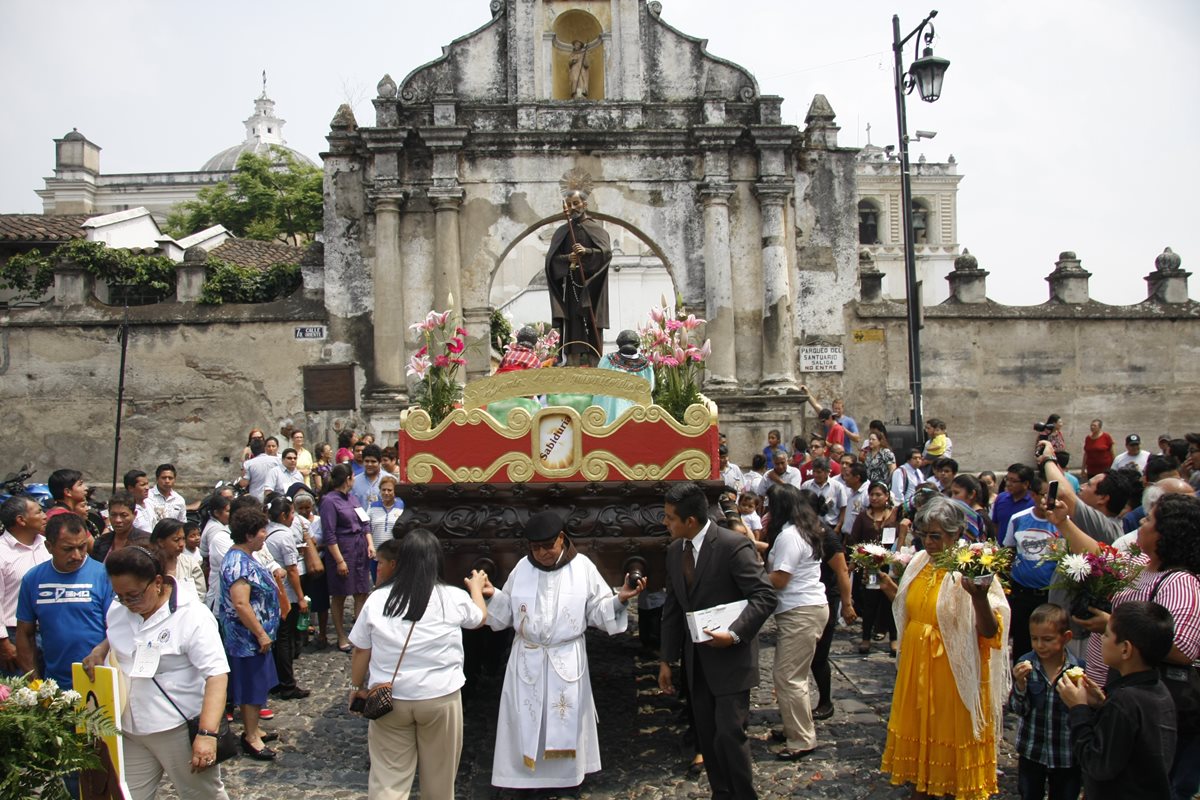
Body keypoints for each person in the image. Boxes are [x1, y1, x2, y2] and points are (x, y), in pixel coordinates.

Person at [1048, 493, 1200, 799]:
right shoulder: (1142, 564)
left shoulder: (1179, 583)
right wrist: (1062, 521)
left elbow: (1183, 646)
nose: (1141, 522)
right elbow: (1101, 558)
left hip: (1143, 708)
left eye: (1149, 519)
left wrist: (1113, 626)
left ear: (1165, 535)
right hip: (1114, 696)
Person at [483, 511, 645, 792]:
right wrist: (491, 593)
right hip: (528, 658)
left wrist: (620, 599)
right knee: (526, 717)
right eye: (536, 548)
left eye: (548, 546)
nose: (543, 553)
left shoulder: (582, 568)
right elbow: (507, 610)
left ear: (561, 538)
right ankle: (523, 778)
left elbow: (597, 609)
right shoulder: (523, 567)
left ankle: (565, 778)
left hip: (565, 655)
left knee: (564, 716)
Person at [878, 496, 1010, 800]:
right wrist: (889, 588)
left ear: (956, 534)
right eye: (923, 534)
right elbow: (914, 611)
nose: (928, 542)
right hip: (917, 667)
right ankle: (923, 786)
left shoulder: (972, 567)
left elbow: (991, 631)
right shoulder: (919, 563)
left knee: (948, 736)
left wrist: (977, 597)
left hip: (951, 673)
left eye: (936, 535)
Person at [348, 531, 489, 800]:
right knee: (439, 777)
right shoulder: (452, 598)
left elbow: (361, 649)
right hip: (439, 697)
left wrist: (357, 686)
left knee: (388, 778)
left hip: (390, 697)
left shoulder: (378, 600)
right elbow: (480, 618)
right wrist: (475, 589)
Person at [82, 546, 231, 800]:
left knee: (201, 795)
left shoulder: (192, 616)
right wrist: (99, 651)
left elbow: (216, 675)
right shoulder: (120, 610)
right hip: (130, 727)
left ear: (157, 583)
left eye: (134, 596)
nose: (128, 603)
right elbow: (116, 636)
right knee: (128, 794)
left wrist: (207, 734)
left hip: (176, 728)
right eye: (120, 596)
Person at [658, 482, 776, 800]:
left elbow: (764, 597)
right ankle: (721, 792)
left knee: (729, 735)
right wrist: (666, 660)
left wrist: (735, 633)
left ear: (690, 521)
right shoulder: (673, 552)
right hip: (696, 663)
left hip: (732, 660)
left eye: (670, 518)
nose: (665, 523)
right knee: (708, 735)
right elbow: (672, 609)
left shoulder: (732, 546)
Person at [1056, 601, 1177, 800]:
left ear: (1125, 649)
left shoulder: (1125, 701)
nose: (1101, 639)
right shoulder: (1160, 691)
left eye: (1106, 635)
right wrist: (1101, 705)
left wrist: (1078, 709)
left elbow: (1096, 763)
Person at [762, 484, 830, 760]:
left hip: (800, 611)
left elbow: (780, 578)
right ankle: (795, 726)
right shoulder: (800, 531)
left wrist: (750, 584)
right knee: (791, 674)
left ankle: (802, 739)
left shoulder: (789, 536)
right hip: (806, 608)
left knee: (788, 677)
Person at [15, 513, 114, 688]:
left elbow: (118, 628)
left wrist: (101, 651)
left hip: (99, 681)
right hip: (54, 685)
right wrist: (35, 684)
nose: (77, 555)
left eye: (82, 547)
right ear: (49, 546)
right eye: (68, 549)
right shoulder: (33, 579)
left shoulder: (104, 576)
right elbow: (24, 633)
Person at [218, 507, 281, 761]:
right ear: (248, 534)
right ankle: (251, 736)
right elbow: (241, 604)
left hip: (255, 637)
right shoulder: (237, 563)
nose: (265, 535)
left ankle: (254, 728)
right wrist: (260, 634)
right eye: (261, 531)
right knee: (251, 686)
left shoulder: (247, 556)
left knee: (259, 684)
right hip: (247, 639)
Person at [1008, 603, 1082, 800]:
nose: (1039, 645)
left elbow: (1082, 714)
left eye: (1047, 639)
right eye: (1034, 639)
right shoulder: (1026, 664)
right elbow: (1017, 708)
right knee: (1029, 793)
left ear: (1066, 637)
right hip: (1033, 751)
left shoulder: (1078, 670)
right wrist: (1020, 686)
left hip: (1066, 754)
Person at [544, 190, 611, 366]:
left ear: (584, 204)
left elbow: (606, 255)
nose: (572, 208)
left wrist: (587, 252)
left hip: (593, 291)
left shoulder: (597, 230)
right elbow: (551, 261)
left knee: (593, 333)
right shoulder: (563, 231)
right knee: (573, 332)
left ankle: (595, 371)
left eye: (575, 203)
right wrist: (568, 258)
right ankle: (571, 371)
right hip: (573, 291)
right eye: (568, 204)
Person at [1002, 476, 1060, 661]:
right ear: (1033, 495)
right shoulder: (1018, 519)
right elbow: (1008, 550)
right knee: (1023, 643)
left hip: (1050, 596)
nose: (1050, 500)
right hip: (1022, 595)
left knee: (1050, 645)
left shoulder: (1063, 521)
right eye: (1045, 495)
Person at [320, 464, 374, 652]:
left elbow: (364, 522)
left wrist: (370, 544)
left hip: (359, 549)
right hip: (343, 549)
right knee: (340, 594)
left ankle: (359, 635)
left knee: (361, 591)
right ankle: (341, 635)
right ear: (348, 479)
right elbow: (329, 533)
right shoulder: (329, 501)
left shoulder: (352, 499)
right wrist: (339, 560)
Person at [264, 496, 309, 700]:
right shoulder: (284, 535)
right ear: (283, 515)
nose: (293, 517)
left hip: (271, 592)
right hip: (285, 594)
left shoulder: (268, 533)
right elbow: (292, 570)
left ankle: (274, 680)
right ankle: (287, 683)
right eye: (291, 513)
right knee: (284, 639)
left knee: (277, 638)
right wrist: (300, 597)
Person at [846, 481, 899, 656]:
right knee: (870, 602)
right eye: (872, 494)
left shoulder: (894, 516)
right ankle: (866, 637)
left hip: (889, 566)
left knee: (890, 601)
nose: (875, 498)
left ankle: (893, 638)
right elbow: (855, 540)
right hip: (870, 568)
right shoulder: (863, 516)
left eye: (878, 494)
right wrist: (856, 560)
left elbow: (901, 537)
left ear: (887, 496)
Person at [0, 495, 49, 674]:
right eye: (38, 512)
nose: (45, 515)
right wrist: (4, 642)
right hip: (14, 635)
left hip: (48, 630)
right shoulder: (2, 552)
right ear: (21, 520)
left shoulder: (48, 546)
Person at [93, 489, 151, 563]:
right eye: (113, 515)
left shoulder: (146, 542)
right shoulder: (101, 542)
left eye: (124, 515)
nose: (118, 520)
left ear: (134, 514)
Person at [367, 475, 404, 583]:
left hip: (395, 555)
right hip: (376, 555)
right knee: (378, 585)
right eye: (383, 490)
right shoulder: (372, 506)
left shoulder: (402, 506)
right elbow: (366, 528)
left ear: (395, 491)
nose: (386, 493)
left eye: (389, 490)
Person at [993, 463, 1037, 540]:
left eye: (1013, 481)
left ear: (1026, 484)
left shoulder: (1034, 502)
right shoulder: (1001, 498)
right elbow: (996, 524)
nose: (1008, 484)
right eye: (1007, 479)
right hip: (1002, 549)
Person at [800, 457, 846, 531]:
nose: (815, 475)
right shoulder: (806, 485)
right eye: (814, 471)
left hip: (831, 527)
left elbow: (843, 508)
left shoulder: (837, 487)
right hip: (811, 527)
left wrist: (838, 526)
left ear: (827, 472)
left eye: (819, 472)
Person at [352, 444, 386, 510]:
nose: (369, 464)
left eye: (373, 461)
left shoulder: (390, 480)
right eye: (367, 461)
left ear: (380, 462)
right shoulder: (354, 482)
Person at [124, 469, 158, 534]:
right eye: (143, 485)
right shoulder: (126, 509)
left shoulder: (150, 503)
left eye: (147, 484)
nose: (147, 488)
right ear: (131, 488)